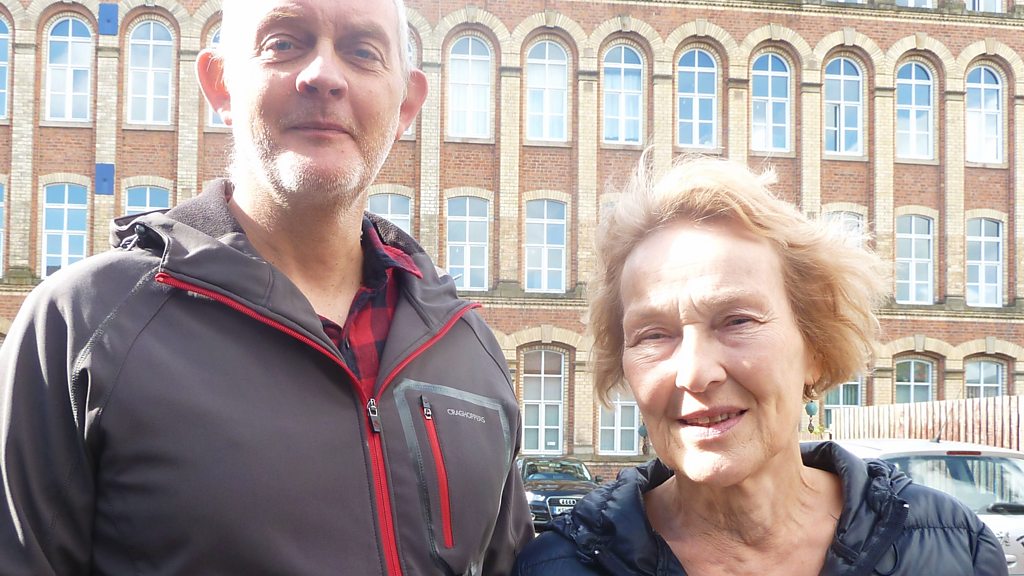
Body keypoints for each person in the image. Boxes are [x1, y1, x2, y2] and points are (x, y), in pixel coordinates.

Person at [0, 0, 533, 574]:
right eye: (284, 42)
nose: (323, 75)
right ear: (220, 84)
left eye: (362, 51)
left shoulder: (467, 346)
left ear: (406, 104)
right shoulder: (84, 325)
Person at [512, 155, 1007, 576]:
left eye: (737, 321)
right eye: (654, 334)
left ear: (815, 349)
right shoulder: (559, 565)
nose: (694, 373)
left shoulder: (951, 547)